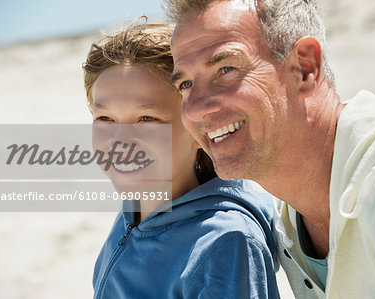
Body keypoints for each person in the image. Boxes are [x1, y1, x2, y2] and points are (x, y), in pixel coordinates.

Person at [164, 0, 375, 298]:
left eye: (226, 69)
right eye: (185, 85)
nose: (197, 109)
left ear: (305, 67)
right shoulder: (287, 217)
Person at [82, 19, 281, 299]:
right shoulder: (134, 210)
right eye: (105, 118)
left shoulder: (224, 242)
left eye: (147, 119)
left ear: (199, 126)